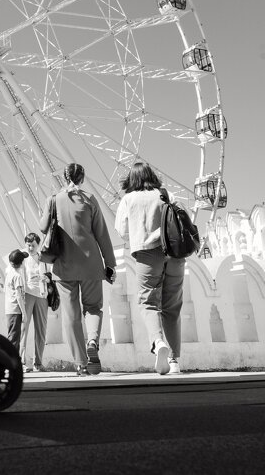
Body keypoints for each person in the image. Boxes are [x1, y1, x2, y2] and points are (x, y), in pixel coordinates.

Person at [40, 163, 116, 376]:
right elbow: (102, 233)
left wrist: (50, 208)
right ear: (82, 178)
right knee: (93, 307)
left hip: (64, 265)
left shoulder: (53, 199)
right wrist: (109, 263)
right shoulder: (90, 200)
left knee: (71, 315)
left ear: (64, 178)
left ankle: (81, 363)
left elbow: (42, 227)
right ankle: (92, 340)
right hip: (91, 263)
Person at [115, 161, 183, 375]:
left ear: (131, 180)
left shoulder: (128, 199)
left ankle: (157, 341)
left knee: (148, 302)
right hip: (174, 253)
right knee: (172, 307)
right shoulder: (165, 194)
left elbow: (121, 229)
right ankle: (174, 361)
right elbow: (182, 218)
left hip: (146, 254)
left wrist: (137, 235)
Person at [20, 232, 50, 371]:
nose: (30, 248)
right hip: (28, 293)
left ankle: (38, 363)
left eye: (32, 245)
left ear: (38, 245)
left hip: (42, 295)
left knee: (41, 330)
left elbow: (50, 275)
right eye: (28, 245)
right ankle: (22, 361)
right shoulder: (23, 258)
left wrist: (46, 279)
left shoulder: (42, 258)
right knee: (24, 328)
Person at [4, 249, 28, 350]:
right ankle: (11, 363)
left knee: (12, 336)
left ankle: (11, 362)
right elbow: (18, 295)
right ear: (21, 263)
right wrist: (24, 313)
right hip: (16, 311)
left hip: (9, 310)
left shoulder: (9, 275)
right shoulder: (17, 277)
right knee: (14, 339)